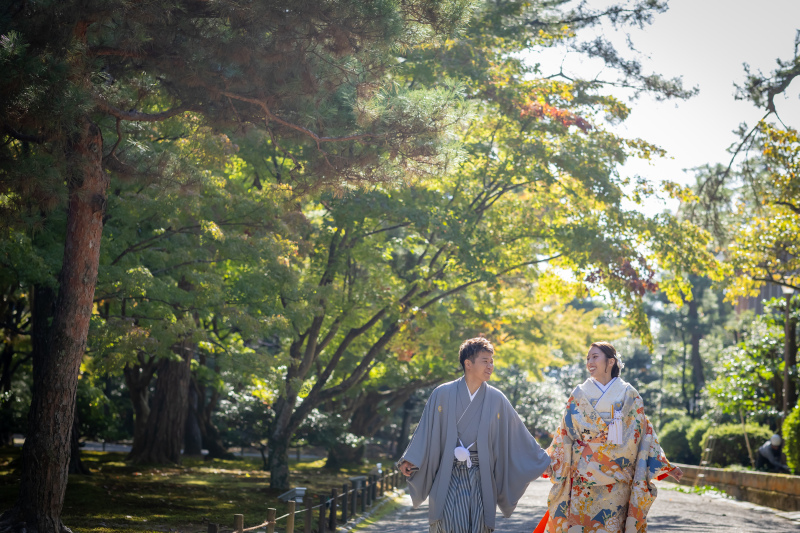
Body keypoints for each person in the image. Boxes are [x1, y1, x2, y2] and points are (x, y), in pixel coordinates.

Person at [397, 337, 551, 533]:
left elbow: (517, 434)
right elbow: (426, 430)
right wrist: (410, 459)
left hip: (481, 476)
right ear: (468, 364)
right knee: (447, 524)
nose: (490, 366)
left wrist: (544, 458)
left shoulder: (497, 399)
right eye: (485, 361)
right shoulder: (442, 393)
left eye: (491, 361)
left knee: (478, 525)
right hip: (448, 473)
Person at [535, 342, 683, 533]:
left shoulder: (629, 394)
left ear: (611, 361)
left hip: (618, 478)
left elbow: (644, 432)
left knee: (611, 526)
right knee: (582, 526)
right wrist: (549, 461)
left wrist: (664, 465)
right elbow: (565, 432)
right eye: (588, 358)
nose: (590, 362)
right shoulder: (579, 394)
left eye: (595, 357)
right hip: (584, 476)